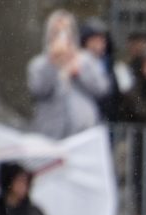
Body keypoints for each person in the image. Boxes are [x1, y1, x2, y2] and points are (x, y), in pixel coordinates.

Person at [27, 9, 110, 139]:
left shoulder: (87, 59)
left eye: (66, 31)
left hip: (83, 133)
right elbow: (39, 91)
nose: (62, 36)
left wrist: (79, 72)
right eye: (56, 32)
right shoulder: (39, 64)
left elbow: (102, 89)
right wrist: (52, 64)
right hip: (50, 134)